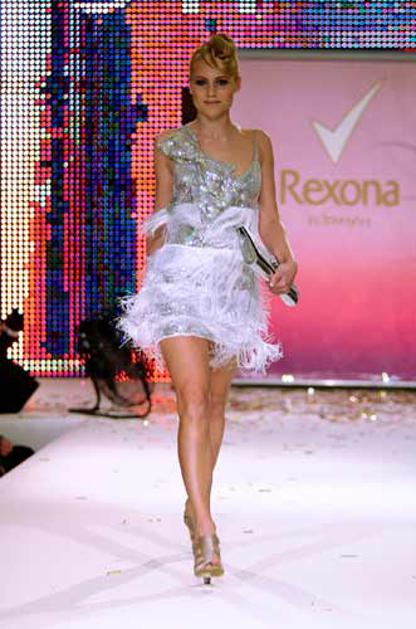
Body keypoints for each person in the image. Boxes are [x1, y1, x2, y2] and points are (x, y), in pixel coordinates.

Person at [118, 33, 297, 582]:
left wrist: (286, 260)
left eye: (220, 82)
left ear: (236, 85)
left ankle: (195, 504)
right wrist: (150, 285)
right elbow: (162, 216)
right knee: (192, 400)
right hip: (179, 281)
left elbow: (268, 218)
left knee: (215, 405)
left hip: (232, 285)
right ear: (191, 88)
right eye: (201, 82)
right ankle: (206, 530)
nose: (211, 91)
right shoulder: (170, 145)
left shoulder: (259, 144)